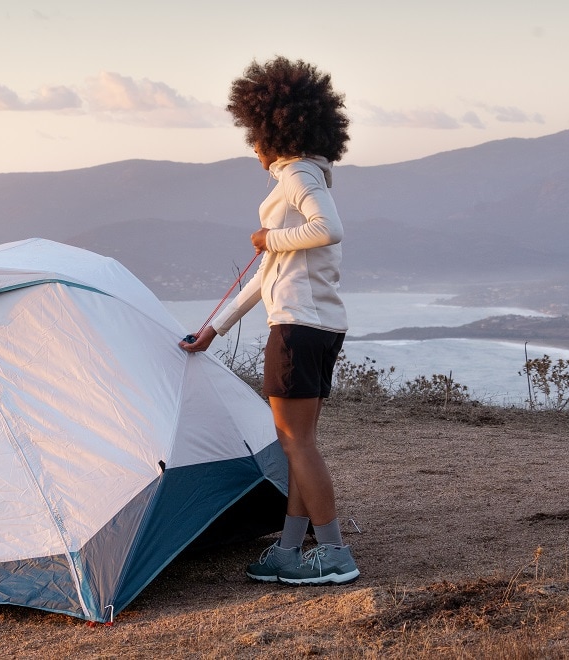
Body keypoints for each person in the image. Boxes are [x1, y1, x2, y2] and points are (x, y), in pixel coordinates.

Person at [180, 57, 358, 585]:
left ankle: (334, 554)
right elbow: (269, 274)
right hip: (316, 325)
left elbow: (328, 229)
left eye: (255, 135)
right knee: (296, 441)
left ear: (275, 129)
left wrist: (267, 238)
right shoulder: (303, 175)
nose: (253, 146)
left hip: (299, 327)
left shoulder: (298, 173)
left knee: (295, 442)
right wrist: (217, 327)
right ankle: (287, 550)